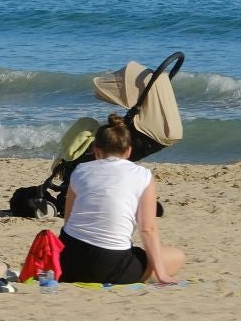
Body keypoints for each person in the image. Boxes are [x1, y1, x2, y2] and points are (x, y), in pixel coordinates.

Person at [60, 116, 185, 284]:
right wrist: (162, 274)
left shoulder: (80, 170)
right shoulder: (143, 175)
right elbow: (148, 229)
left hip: (69, 263)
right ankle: (153, 275)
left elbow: (69, 221)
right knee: (176, 257)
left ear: (96, 150)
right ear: (128, 151)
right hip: (111, 265)